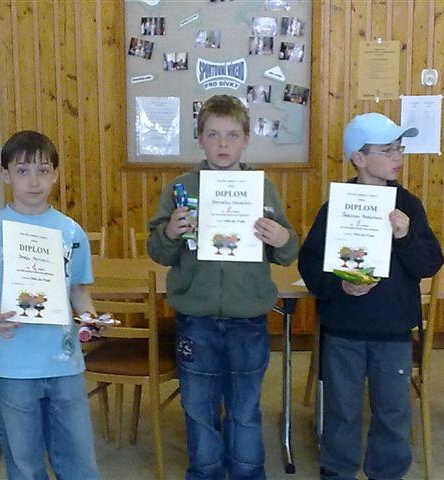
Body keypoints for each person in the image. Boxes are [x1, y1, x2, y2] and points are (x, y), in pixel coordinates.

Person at [147, 94, 298, 480]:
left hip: (248, 319)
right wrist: (169, 232)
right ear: (199, 139)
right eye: (213, 134)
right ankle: (206, 473)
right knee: (198, 408)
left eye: (232, 135)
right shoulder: (180, 188)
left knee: (244, 409)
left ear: (246, 139)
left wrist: (281, 238)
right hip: (195, 319)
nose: (223, 144)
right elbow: (159, 252)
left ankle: (248, 473)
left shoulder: (263, 188)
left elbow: (286, 252)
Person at [298, 112, 444, 480]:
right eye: (388, 149)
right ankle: (338, 470)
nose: (398, 156)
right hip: (343, 329)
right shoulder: (337, 207)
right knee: (341, 409)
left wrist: (405, 237)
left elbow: (430, 263)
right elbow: (310, 263)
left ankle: (387, 472)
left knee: (393, 411)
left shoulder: (408, 205)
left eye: (400, 148)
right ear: (359, 158)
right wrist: (340, 286)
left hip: (393, 330)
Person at [0, 130, 101, 480]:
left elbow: (78, 290)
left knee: (78, 456)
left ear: (56, 174)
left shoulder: (71, 232)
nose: (34, 181)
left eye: (43, 170)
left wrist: (91, 318)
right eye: (22, 171)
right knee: (24, 460)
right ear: (5, 175)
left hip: (64, 362)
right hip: (13, 365)